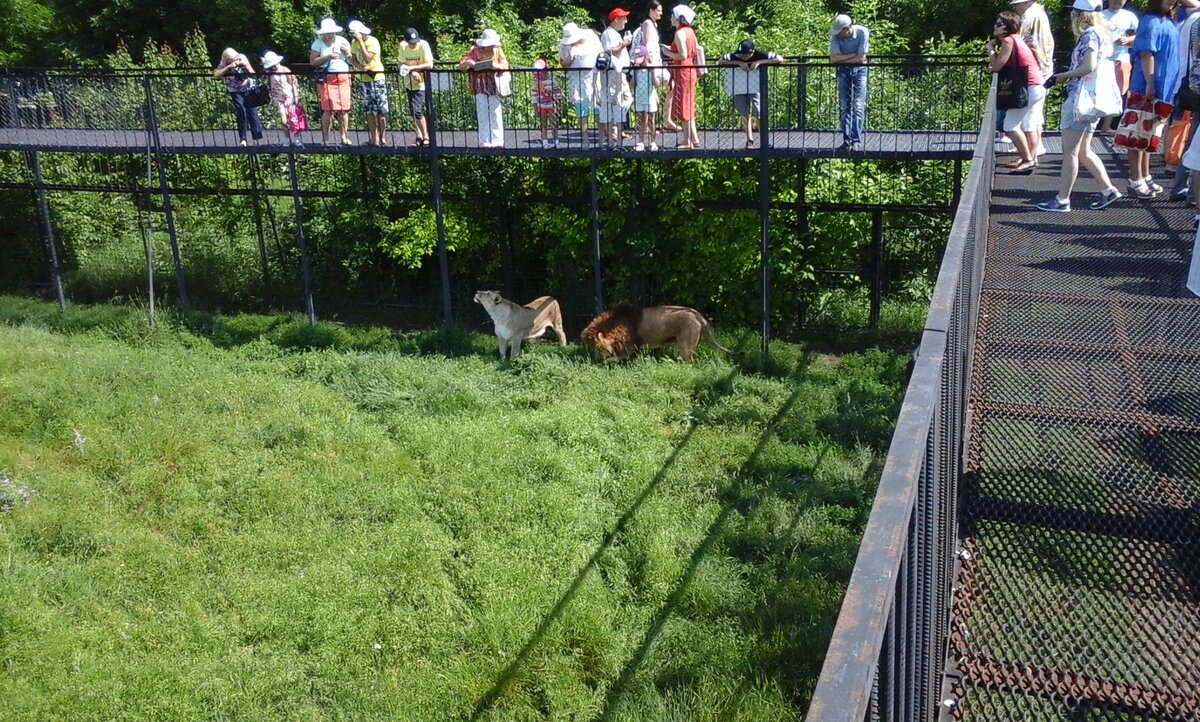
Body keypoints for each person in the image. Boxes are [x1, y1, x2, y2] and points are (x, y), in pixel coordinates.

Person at [1037, 0, 1123, 212]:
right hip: (1090, 101)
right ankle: (1108, 190)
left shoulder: (1089, 35)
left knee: (1070, 152)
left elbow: (1088, 66)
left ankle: (1062, 199)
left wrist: (1064, 76)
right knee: (1083, 151)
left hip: (1080, 100)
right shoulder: (1103, 33)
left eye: (1074, 13)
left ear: (1081, 15)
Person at [1126, 0, 1181, 198]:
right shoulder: (1150, 21)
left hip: (1163, 89)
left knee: (1149, 134)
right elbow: (1146, 53)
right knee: (1137, 135)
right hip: (1146, 88)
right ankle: (1135, 179)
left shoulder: (1169, 21)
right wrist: (1150, 83)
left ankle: (1145, 175)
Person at [987, 11, 1045, 173]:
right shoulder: (1017, 39)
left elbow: (996, 67)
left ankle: (1027, 160)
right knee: (1029, 126)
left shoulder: (1008, 40)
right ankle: (1031, 158)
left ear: (1007, 27)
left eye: (999, 23)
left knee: (1010, 126)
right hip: (1037, 85)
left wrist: (991, 50)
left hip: (1027, 87)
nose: (995, 26)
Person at [719, 39, 782, 148]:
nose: (742, 56)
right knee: (744, 113)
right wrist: (738, 63)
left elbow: (780, 59)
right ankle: (749, 140)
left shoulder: (760, 54)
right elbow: (720, 61)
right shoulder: (735, 56)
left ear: (752, 52)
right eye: (740, 54)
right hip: (739, 87)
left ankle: (764, 140)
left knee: (759, 112)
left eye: (744, 55)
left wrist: (759, 62)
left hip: (755, 87)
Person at [1012, 0, 1054, 154]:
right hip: (1042, 66)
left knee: (1031, 114)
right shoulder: (1040, 13)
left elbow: (1019, 37)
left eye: (1017, 4)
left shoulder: (1030, 15)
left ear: (1025, 3)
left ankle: (1032, 150)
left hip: (1035, 69)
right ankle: (1033, 147)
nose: (1015, 7)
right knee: (1035, 112)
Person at [458, 29, 509, 149]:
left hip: (494, 84)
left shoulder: (497, 50)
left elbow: (505, 65)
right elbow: (461, 66)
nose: (489, 47)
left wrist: (496, 66)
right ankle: (484, 141)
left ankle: (498, 141)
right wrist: (469, 63)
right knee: (482, 113)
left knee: (495, 113)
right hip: (479, 85)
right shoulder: (474, 51)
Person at [661, 4, 700, 149]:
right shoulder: (690, 31)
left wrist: (667, 53)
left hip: (683, 71)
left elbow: (683, 55)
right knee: (689, 104)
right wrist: (671, 49)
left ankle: (687, 141)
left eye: (673, 15)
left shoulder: (679, 33)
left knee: (684, 106)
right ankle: (694, 138)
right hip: (691, 70)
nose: (671, 18)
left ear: (678, 18)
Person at [310, 17, 353, 145]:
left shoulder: (343, 41)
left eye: (331, 33)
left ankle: (344, 137)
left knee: (343, 109)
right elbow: (313, 62)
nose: (328, 36)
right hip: (327, 79)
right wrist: (327, 57)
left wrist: (347, 53)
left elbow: (352, 61)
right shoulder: (317, 43)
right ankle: (326, 139)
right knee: (328, 109)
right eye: (326, 33)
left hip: (343, 78)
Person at [830, 14, 869, 152]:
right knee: (844, 105)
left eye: (839, 31)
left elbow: (861, 59)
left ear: (847, 28)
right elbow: (833, 59)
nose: (837, 35)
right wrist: (855, 56)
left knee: (858, 105)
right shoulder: (836, 35)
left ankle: (856, 141)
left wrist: (842, 58)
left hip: (860, 71)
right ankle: (847, 141)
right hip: (843, 71)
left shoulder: (863, 32)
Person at [560, 22, 603, 141]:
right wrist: (569, 59)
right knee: (581, 107)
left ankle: (601, 137)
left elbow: (601, 54)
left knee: (598, 107)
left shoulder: (591, 36)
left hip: (594, 77)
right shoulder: (564, 45)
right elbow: (563, 63)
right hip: (576, 79)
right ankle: (585, 138)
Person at [348, 19, 388, 147]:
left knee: (381, 110)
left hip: (377, 79)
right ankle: (373, 139)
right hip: (364, 80)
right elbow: (353, 59)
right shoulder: (353, 42)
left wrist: (361, 42)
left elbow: (367, 58)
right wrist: (360, 67)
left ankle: (382, 138)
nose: (353, 37)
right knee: (369, 111)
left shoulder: (372, 41)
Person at [213, 47, 263, 147]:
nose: (235, 60)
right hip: (235, 90)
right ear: (227, 59)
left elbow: (253, 74)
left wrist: (246, 66)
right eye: (232, 60)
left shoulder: (242, 58)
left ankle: (257, 138)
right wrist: (229, 67)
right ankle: (243, 139)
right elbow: (216, 75)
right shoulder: (223, 63)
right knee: (241, 111)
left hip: (248, 88)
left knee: (252, 112)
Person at [634, 1, 671, 131]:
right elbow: (646, 44)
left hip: (656, 61)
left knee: (669, 84)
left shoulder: (653, 24)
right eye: (658, 10)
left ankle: (663, 121)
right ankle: (647, 126)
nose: (661, 13)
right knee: (649, 92)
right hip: (651, 61)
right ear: (651, 10)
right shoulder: (647, 24)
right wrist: (647, 61)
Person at [600, 8, 634, 149]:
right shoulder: (608, 33)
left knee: (625, 100)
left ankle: (615, 129)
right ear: (616, 19)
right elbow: (609, 51)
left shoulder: (613, 33)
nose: (626, 21)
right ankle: (613, 130)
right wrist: (625, 43)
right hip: (613, 75)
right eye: (623, 18)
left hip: (620, 74)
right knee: (619, 100)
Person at [261, 51, 306, 147]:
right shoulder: (270, 73)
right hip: (278, 97)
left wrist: (296, 97)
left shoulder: (285, 70)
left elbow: (293, 83)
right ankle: (287, 138)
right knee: (283, 119)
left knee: (293, 119)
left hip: (289, 97)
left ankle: (296, 138)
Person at [398, 28, 434, 147]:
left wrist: (412, 68)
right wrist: (411, 71)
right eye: (411, 43)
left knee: (417, 110)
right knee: (413, 111)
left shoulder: (423, 45)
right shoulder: (403, 46)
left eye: (415, 42)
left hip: (422, 83)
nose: (413, 45)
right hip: (409, 83)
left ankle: (426, 136)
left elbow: (430, 65)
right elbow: (401, 64)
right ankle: (419, 136)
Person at [1103, 0, 1139, 118]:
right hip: (1103, 60)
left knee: (1117, 93)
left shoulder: (1129, 16)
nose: (1117, 1)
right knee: (1102, 91)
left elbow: (1140, 35)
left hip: (1122, 59)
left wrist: (1128, 40)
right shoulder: (1100, 15)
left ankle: (1107, 125)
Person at [631, 46, 659, 150]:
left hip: (650, 98)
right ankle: (640, 141)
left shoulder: (650, 69)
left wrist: (652, 71)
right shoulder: (636, 70)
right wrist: (634, 72)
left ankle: (653, 142)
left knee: (651, 120)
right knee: (640, 120)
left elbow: (656, 83)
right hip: (639, 97)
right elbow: (632, 85)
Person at [531, 57, 562, 147]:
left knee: (554, 124)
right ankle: (545, 141)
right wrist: (535, 109)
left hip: (552, 106)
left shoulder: (552, 81)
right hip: (541, 106)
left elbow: (558, 94)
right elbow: (534, 97)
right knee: (543, 124)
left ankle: (556, 141)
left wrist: (559, 105)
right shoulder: (535, 84)